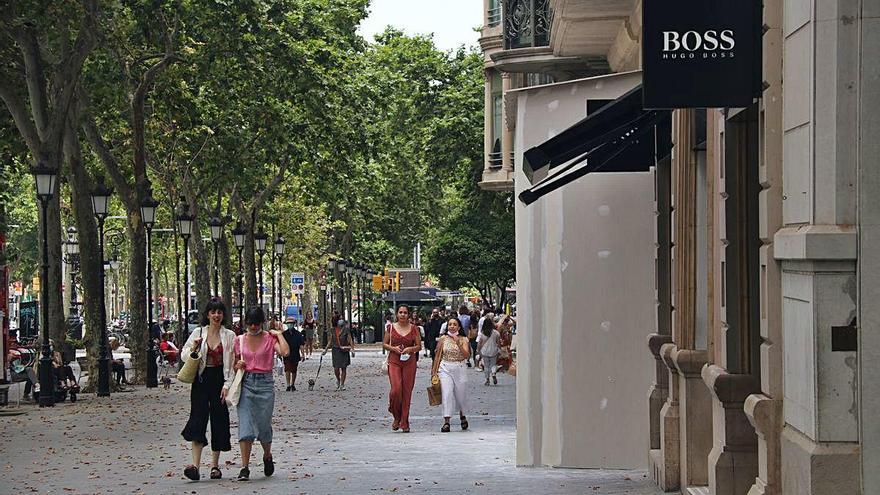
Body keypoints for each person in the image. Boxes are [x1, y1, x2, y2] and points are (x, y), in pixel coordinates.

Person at [180, 298, 236, 481]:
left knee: (219, 422)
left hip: (220, 381)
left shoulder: (229, 336)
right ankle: (195, 466)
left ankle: (214, 466)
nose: (216, 315)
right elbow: (184, 355)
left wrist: (227, 386)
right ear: (207, 314)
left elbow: (232, 364)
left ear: (223, 315)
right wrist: (194, 348)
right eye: (213, 312)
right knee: (198, 419)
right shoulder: (198, 333)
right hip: (201, 381)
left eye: (219, 312)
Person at [233, 306, 290, 481]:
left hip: (265, 383)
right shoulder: (240, 340)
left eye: (256, 324)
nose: (253, 327)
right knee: (245, 424)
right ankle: (245, 467)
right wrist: (238, 365)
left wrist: (279, 334)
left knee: (263, 424)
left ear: (262, 323)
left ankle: (267, 455)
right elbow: (233, 363)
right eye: (250, 324)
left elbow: (285, 352)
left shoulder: (269, 338)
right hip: (247, 383)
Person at [383, 305, 421, 433]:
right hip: (394, 361)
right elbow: (384, 344)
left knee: (406, 392)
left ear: (408, 314)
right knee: (396, 389)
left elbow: (419, 346)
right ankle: (395, 413)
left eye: (405, 312)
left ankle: (404, 421)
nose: (403, 314)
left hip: (409, 362)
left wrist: (410, 349)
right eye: (400, 312)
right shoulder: (391, 328)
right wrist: (393, 349)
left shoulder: (414, 329)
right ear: (397, 314)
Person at [431, 316, 471, 432]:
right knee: (447, 394)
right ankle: (446, 421)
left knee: (460, 395)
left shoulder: (464, 339)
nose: (452, 326)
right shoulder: (443, 339)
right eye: (450, 324)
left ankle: (462, 415)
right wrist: (434, 371)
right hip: (445, 368)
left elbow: (467, 356)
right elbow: (438, 355)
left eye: (454, 324)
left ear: (459, 327)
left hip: (459, 368)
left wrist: (459, 344)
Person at [322, 318, 355, 391]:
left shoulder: (346, 330)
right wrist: (326, 349)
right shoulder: (333, 330)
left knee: (344, 367)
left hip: (344, 350)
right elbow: (330, 340)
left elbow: (350, 339)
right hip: (336, 350)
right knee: (336, 368)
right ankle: (338, 379)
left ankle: (342, 384)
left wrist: (352, 349)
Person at [476, 317, 501, 386]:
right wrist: (499, 350)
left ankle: (487, 380)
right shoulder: (496, 333)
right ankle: (493, 373)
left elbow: (479, 343)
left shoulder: (482, 333)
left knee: (486, 366)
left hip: (485, 351)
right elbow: (498, 343)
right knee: (493, 364)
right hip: (494, 350)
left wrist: (478, 351)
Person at [282, 320, 305, 391]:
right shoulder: (284, 334)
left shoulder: (298, 334)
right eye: (288, 323)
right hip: (286, 354)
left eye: (291, 323)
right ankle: (288, 384)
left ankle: (293, 384)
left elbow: (301, 345)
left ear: (294, 324)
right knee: (287, 369)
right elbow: (281, 344)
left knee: (294, 370)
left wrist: (303, 354)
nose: (289, 325)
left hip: (295, 354)